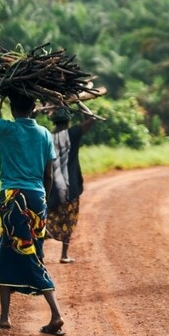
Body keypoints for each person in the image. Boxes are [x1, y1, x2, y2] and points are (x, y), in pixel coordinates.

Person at [0, 65, 65, 336]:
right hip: (37, 199)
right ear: (34, 107)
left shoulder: (5, 130)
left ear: (12, 108)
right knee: (15, 254)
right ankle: (4, 316)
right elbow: (48, 174)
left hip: (13, 200)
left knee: (18, 255)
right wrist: (42, 202)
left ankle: (55, 315)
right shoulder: (45, 134)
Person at [46, 108, 96, 264]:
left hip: (51, 186)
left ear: (53, 121)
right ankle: (64, 254)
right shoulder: (73, 133)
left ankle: (39, 252)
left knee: (47, 217)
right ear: (68, 121)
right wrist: (79, 103)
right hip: (70, 186)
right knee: (69, 219)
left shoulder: (47, 136)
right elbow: (91, 118)